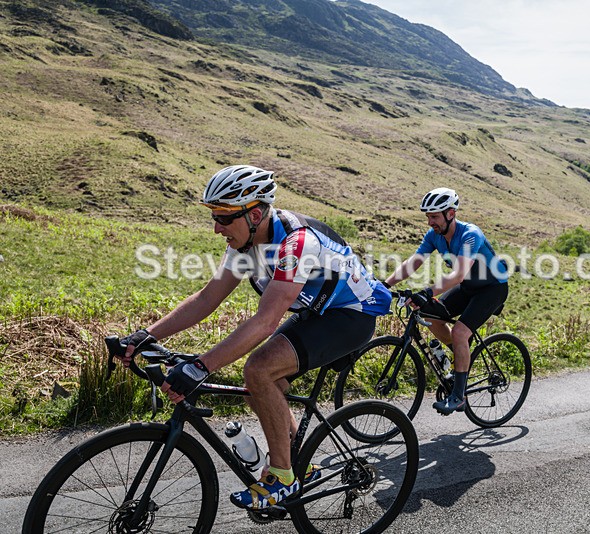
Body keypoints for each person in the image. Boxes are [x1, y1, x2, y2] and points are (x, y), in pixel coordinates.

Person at [115, 165, 391, 510]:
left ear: (255, 213)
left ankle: (282, 478)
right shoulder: (245, 241)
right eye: (214, 216)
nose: (217, 227)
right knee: (259, 383)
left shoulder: (296, 243)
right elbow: (206, 299)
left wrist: (200, 367)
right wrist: (143, 336)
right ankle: (296, 463)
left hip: (352, 315)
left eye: (224, 217)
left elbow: (265, 322)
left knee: (258, 369)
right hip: (317, 312)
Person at [384, 187, 509, 415]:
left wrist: (428, 292)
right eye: (428, 217)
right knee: (431, 316)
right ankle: (461, 354)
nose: (430, 222)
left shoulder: (471, 234)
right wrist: (385, 285)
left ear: (450, 214)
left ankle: (459, 396)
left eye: (434, 216)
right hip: (469, 287)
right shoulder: (434, 236)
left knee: (461, 332)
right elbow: (414, 262)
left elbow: (459, 274)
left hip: (492, 288)